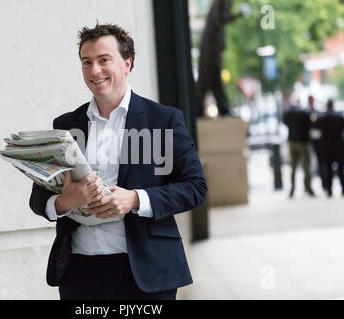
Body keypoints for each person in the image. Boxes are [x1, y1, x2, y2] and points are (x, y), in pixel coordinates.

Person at [29, 23, 207, 300]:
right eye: (87, 62)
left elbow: (195, 187)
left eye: (103, 60)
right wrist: (65, 202)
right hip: (79, 274)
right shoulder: (65, 126)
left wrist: (136, 199)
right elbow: (39, 196)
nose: (94, 70)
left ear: (127, 63)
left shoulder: (163, 120)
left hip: (145, 273)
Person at [195, 0, 243, 117]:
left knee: (213, 79)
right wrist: (237, 15)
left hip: (211, 46)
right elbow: (219, 19)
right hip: (211, 46)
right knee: (206, 78)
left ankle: (222, 108)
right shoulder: (223, 1)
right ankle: (198, 109)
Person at [282, 102, 315, 198]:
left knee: (293, 167)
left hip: (292, 141)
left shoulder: (288, 113)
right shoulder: (304, 113)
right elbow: (310, 125)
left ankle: (292, 190)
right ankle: (308, 188)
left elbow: (285, 122)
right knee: (306, 166)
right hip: (303, 141)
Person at [315, 99, 344, 197]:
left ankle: (329, 190)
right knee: (341, 169)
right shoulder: (339, 117)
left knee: (327, 169)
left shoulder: (321, 118)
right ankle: (343, 189)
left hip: (326, 147)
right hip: (338, 147)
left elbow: (316, 129)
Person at [307, 95, 326, 190]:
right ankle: (308, 187)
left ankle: (324, 184)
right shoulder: (305, 112)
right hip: (308, 141)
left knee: (320, 162)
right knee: (307, 164)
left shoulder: (316, 112)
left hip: (317, 142)